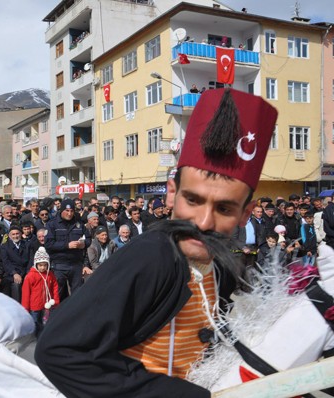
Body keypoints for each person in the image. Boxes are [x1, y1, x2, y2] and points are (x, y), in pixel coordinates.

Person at [35, 88, 278, 396]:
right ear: (172, 193)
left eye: (224, 208)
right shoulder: (153, 256)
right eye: (193, 199)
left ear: (245, 214)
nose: (204, 223)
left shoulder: (219, 264)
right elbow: (59, 350)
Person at [44, 198, 91, 301]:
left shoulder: (79, 224)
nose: (69, 214)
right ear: (61, 210)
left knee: (77, 295)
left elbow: (88, 239)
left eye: (72, 211)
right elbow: (48, 244)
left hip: (76, 265)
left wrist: (83, 244)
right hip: (59, 265)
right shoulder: (52, 224)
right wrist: (66, 245)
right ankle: (54, 316)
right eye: (67, 211)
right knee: (57, 295)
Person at [21, 247, 60, 337]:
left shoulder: (50, 274)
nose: (43, 267)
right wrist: (25, 309)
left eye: (45, 265)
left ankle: (43, 338)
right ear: (36, 264)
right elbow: (26, 294)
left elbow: (55, 287)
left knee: (45, 323)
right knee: (35, 324)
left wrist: (56, 301)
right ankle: (34, 339)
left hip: (47, 306)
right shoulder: (30, 276)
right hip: (34, 307)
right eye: (40, 265)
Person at [0, 225, 31, 303]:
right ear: (9, 236)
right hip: (11, 274)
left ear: (21, 234)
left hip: (25, 272)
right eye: (13, 234)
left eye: (17, 234)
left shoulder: (27, 245)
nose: (15, 236)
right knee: (16, 285)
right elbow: (6, 262)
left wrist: (28, 272)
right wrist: (14, 273)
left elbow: (31, 260)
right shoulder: (5, 246)